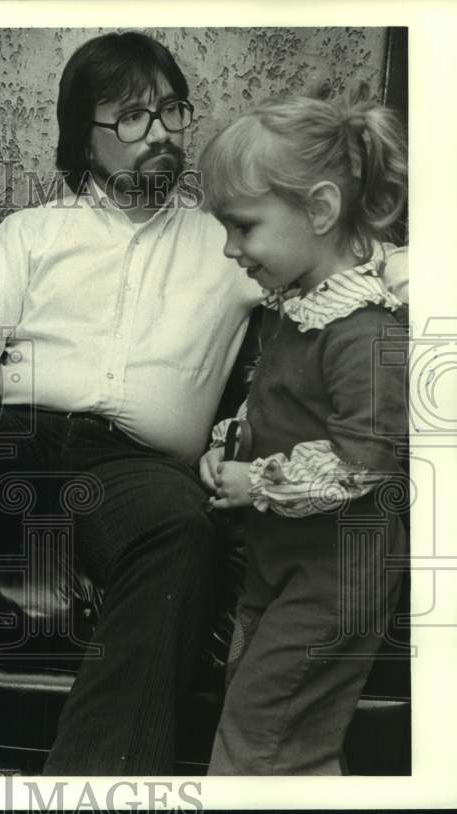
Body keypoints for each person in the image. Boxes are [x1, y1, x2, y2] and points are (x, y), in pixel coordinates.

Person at [0, 32, 408, 775]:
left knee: (183, 528)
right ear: (82, 137)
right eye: (130, 117)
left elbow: (361, 261)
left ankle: (95, 780)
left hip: (131, 470)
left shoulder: (236, 236)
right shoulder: (33, 232)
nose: (159, 133)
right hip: (15, 441)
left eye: (171, 112)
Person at [197, 90, 408, 774]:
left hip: (335, 578)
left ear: (318, 210)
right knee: (279, 734)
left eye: (244, 226)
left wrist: (256, 480)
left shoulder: (365, 330)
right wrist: (232, 441)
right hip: (280, 564)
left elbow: (365, 459)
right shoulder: (295, 311)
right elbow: (280, 403)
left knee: (263, 738)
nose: (230, 249)